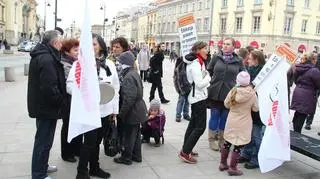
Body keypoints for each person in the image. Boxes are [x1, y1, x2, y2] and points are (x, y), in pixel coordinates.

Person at [66, 34, 115, 179]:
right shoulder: (79, 64)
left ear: (101, 46)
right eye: (89, 44)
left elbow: (116, 87)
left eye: (94, 44)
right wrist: (84, 92)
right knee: (89, 142)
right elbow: (69, 85)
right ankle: (81, 172)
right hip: (88, 111)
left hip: (104, 111)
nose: (91, 47)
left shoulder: (110, 65)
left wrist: (114, 110)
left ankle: (94, 167)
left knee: (97, 142)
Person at [28, 30, 64, 179]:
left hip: (44, 106)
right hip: (46, 108)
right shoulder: (47, 59)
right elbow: (49, 87)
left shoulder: (45, 55)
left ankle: (43, 166)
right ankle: (38, 174)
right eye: (61, 41)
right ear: (55, 43)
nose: (62, 44)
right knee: (43, 141)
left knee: (45, 140)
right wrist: (61, 100)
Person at [207, 37, 245, 151]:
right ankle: (212, 139)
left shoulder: (238, 60)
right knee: (214, 116)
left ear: (233, 47)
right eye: (224, 44)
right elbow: (209, 70)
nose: (225, 46)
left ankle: (222, 139)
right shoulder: (216, 57)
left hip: (229, 94)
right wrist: (210, 82)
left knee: (224, 117)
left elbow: (244, 75)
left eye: (228, 44)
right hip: (215, 92)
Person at [220, 71, 259, 176]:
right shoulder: (252, 93)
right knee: (238, 145)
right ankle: (233, 168)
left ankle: (223, 163)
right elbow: (256, 108)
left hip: (232, 120)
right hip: (244, 122)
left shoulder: (233, 91)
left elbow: (226, 104)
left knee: (227, 142)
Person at [178, 41, 211, 164]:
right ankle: (185, 152)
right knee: (200, 127)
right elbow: (200, 83)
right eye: (205, 48)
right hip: (198, 99)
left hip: (197, 97)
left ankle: (187, 148)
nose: (207, 50)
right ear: (198, 50)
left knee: (193, 125)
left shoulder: (198, 62)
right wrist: (208, 77)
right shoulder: (195, 64)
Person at [113, 51, 148, 165]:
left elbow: (129, 99)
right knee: (136, 134)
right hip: (138, 109)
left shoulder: (128, 76)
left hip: (133, 111)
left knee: (129, 135)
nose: (118, 65)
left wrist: (121, 113)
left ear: (125, 64)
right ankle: (137, 156)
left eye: (120, 63)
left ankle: (126, 157)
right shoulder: (134, 73)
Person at [238, 50, 266, 169]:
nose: (247, 60)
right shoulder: (249, 70)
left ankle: (256, 159)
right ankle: (246, 153)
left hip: (259, 107)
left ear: (257, 59)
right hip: (249, 106)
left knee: (256, 135)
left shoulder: (264, 72)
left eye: (250, 59)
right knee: (248, 133)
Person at [60, 38, 83, 163]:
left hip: (77, 101)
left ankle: (76, 149)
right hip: (68, 101)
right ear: (67, 51)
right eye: (75, 50)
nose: (78, 52)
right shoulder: (65, 64)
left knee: (78, 125)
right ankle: (67, 152)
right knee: (68, 126)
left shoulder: (76, 62)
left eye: (79, 50)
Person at [290, 52, 320, 133]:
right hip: (307, 95)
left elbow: (295, 81)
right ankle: (297, 136)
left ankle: (295, 132)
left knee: (298, 114)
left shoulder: (298, 67)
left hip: (298, 93)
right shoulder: (314, 70)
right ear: (313, 60)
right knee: (301, 116)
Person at [304, 53, 320, 130]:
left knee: (312, 103)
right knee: (312, 103)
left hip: (316, 83)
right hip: (316, 83)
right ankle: (308, 122)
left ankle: (308, 122)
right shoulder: (318, 57)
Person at [174, 56, 190, 122]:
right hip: (181, 85)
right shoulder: (180, 60)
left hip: (189, 85)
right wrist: (178, 88)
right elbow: (176, 74)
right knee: (181, 100)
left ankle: (186, 114)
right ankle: (178, 115)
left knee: (187, 101)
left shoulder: (191, 61)